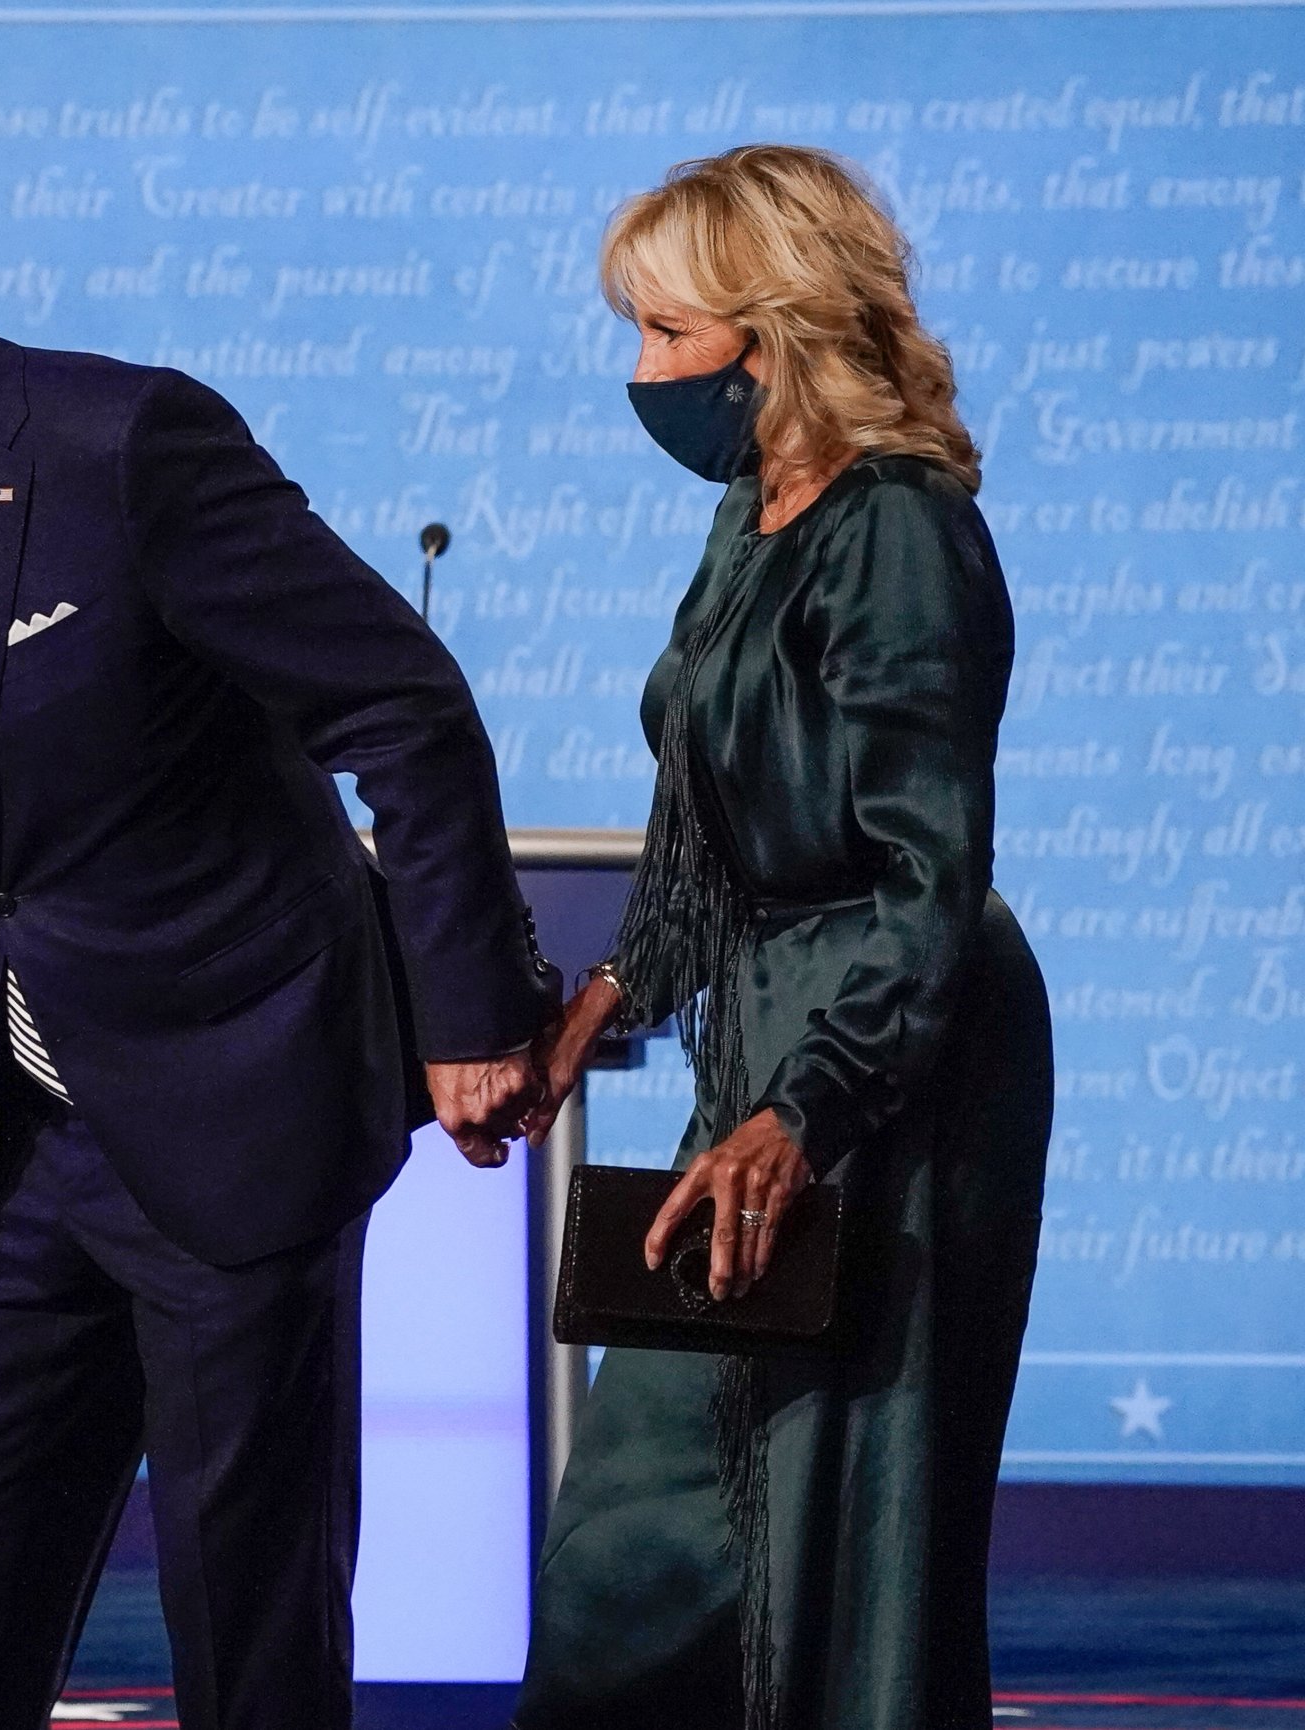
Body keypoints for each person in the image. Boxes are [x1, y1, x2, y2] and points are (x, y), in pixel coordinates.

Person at [0, 137, 557, 1730]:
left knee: (247, 1628)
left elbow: (404, 708)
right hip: (40, 1136)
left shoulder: (118, 440)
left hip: (245, 1103)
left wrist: (471, 1016)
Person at [512, 146, 1055, 1730]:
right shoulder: (757, 512)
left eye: (664, 333)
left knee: (819, 1518)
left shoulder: (895, 526)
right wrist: (607, 995)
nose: (642, 373)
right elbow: (708, 822)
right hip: (764, 1044)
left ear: (773, 331)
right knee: (642, 1539)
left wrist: (800, 1114)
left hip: (888, 1061)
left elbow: (926, 870)